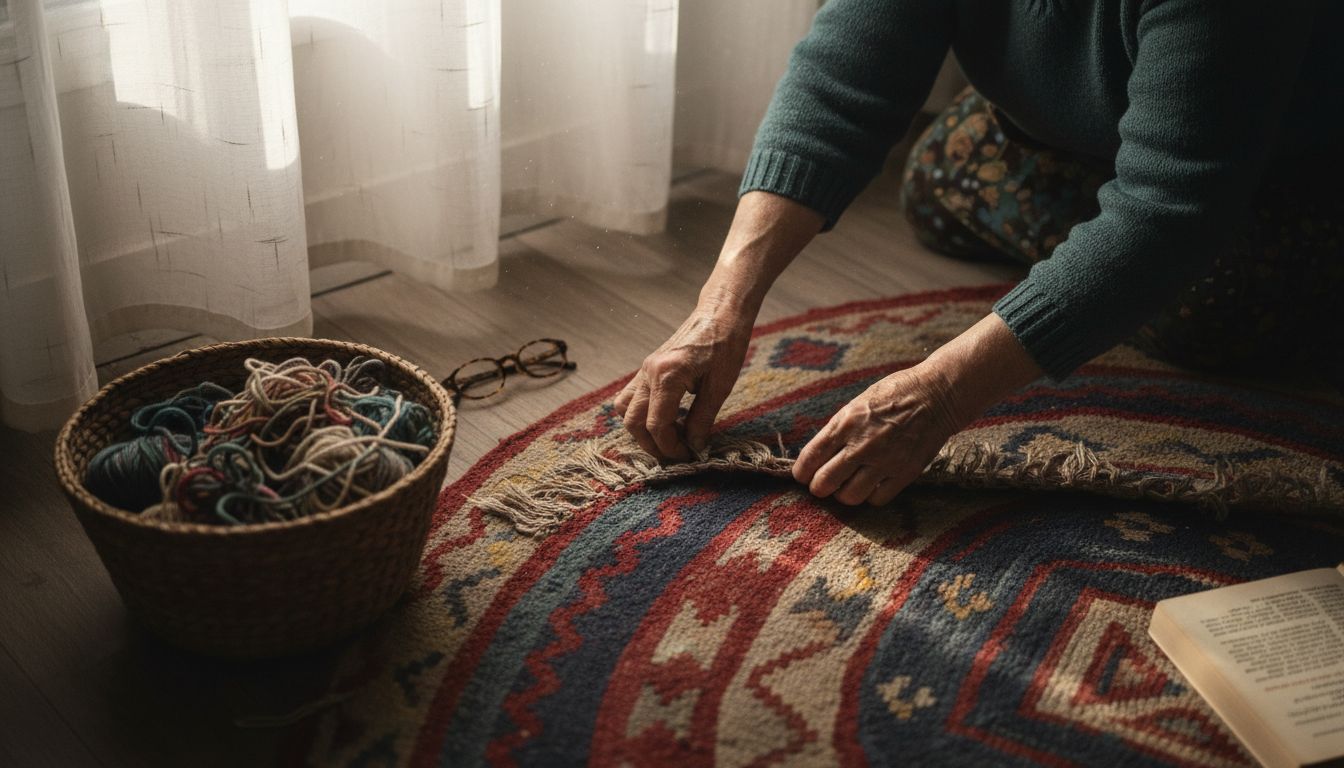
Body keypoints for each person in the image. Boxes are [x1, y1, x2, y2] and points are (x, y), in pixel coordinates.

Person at [614, 0, 1344, 507]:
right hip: (1066, 138)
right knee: (932, 188)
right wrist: (721, 306)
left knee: (1200, 312)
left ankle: (1109, 254)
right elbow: (837, 84)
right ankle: (1094, 250)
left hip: (1276, 168)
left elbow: (1170, 210)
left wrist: (941, 393)